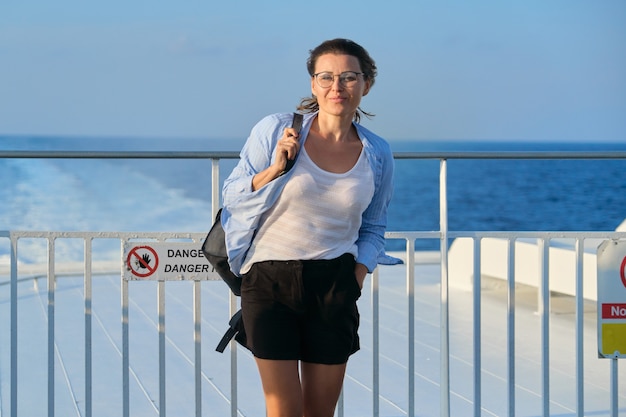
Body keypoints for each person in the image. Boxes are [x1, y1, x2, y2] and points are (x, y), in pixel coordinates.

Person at [221, 38, 394, 417]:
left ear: (366, 84)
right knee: (283, 410)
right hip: (270, 280)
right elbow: (232, 196)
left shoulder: (378, 152)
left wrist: (357, 277)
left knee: (320, 412)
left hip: (335, 284)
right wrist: (275, 169)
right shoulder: (276, 130)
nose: (337, 87)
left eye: (349, 77)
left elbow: (374, 226)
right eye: (327, 77)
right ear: (314, 84)